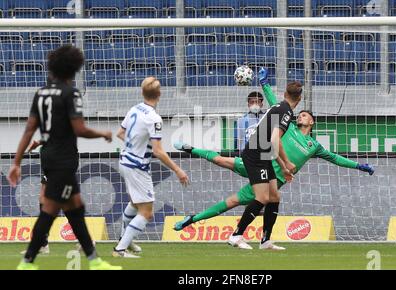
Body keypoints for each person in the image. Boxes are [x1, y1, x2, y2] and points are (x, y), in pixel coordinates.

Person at [173, 68, 375, 250]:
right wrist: (264, 84)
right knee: (223, 162)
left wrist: (359, 166)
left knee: (240, 200)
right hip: (262, 163)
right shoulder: (289, 128)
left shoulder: (315, 146)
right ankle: (192, 151)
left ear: (312, 121)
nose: (301, 116)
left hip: (270, 175)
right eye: (300, 114)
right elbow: (276, 105)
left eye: (305, 115)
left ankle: (256, 237)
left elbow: (336, 158)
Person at [8, 45, 121, 270]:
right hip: (64, 159)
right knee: (50, 209)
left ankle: (94, 260)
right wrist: (103, 133)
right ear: (74, 68)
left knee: (74, 207)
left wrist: (16, 162)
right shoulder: (71, 93)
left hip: (48, 156)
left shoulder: (41, 94)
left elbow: (29, 130)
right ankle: (28, 262)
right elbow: (79, 129)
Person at [113, 77, 190, 258]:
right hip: (137, 167)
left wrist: (136, 146)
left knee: (135, 203)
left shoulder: (134, 108)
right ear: (160, 94)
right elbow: (158, 152)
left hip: (124, 160)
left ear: (142, 92)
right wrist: (178, 170)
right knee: (146, 213)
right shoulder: (154, 118)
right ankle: (120, 249)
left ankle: (126, 240)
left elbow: (120, 133)